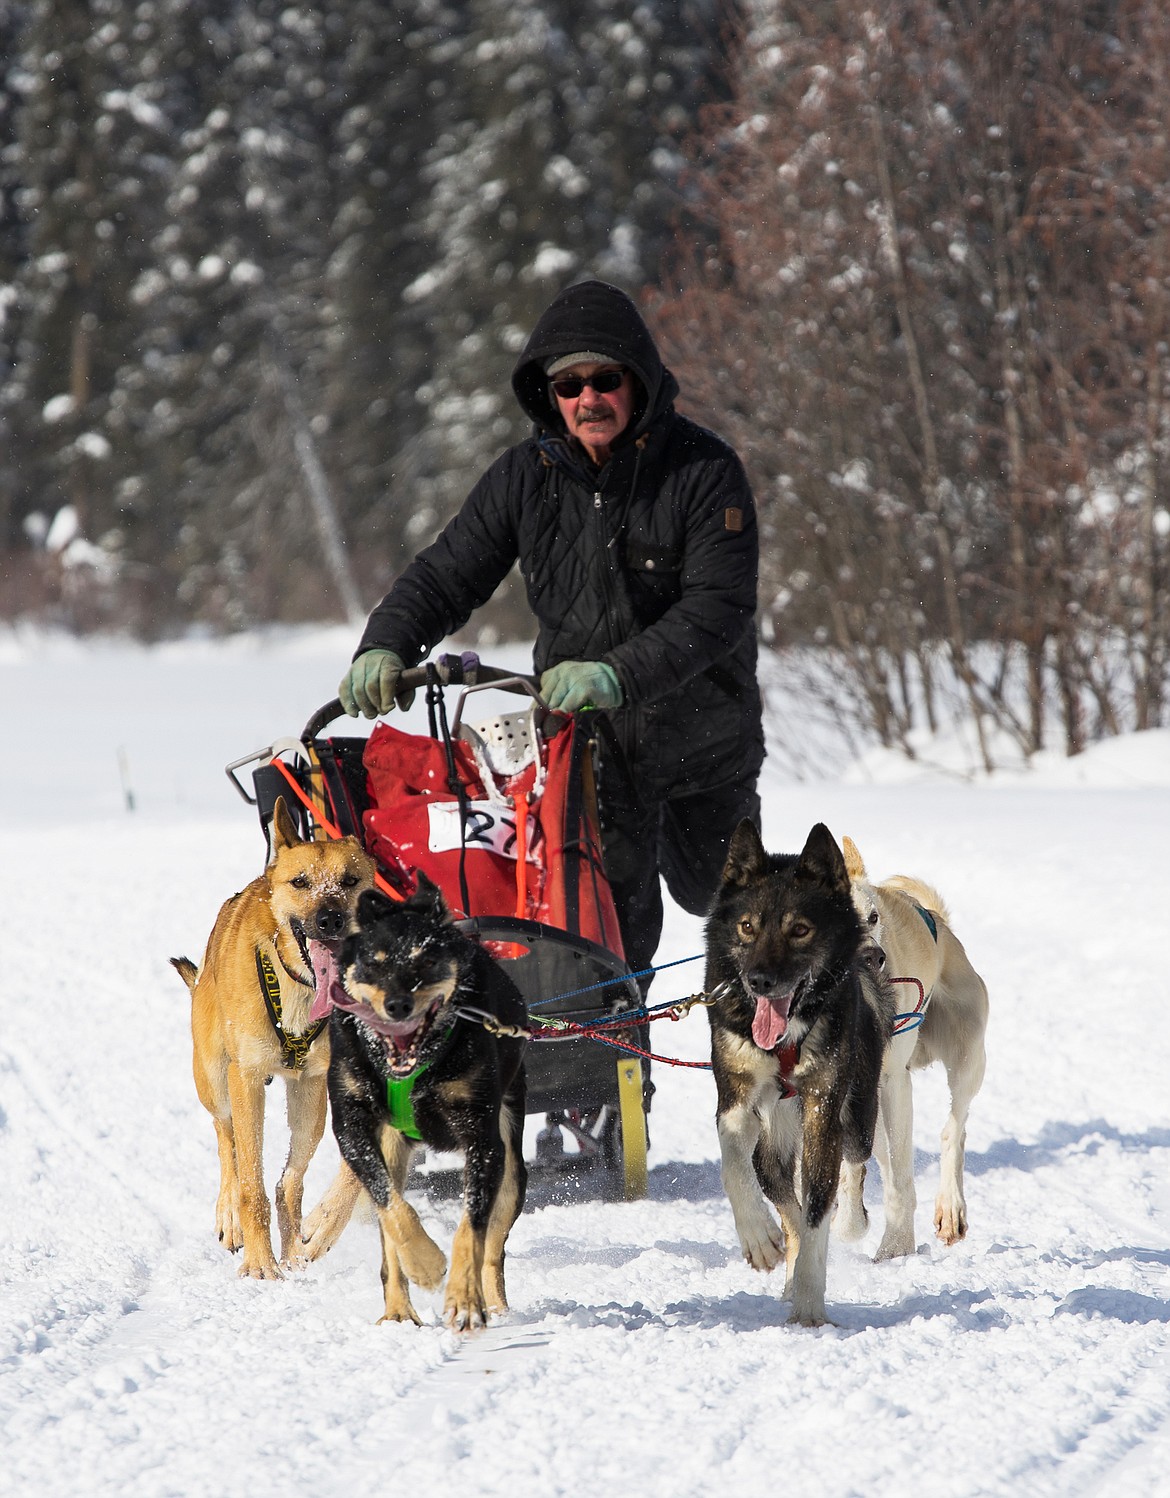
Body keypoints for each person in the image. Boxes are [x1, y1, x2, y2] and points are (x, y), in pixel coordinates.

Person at [339, 278, 764, 995]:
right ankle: (612, 1086)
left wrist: (617, 674)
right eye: (569, 385)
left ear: (640, 382)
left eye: (605, 379)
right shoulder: (524, 479)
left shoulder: (704, 470)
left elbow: (718, 608)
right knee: (604, 943)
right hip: (588, 754)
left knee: (729, 912)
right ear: (548, 394)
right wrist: (385, 645)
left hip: (704, 743)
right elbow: (446, 574)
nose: (588, 399)